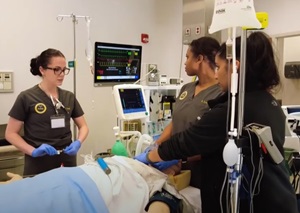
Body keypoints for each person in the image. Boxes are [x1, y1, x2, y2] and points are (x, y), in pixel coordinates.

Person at [135, 32, 299, 213]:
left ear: (235, 68)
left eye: (219, 67)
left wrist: (147, 158)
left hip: (258, 202)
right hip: (278, 197)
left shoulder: (233, 110)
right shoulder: (268, 102)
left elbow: (189, 141)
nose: (216, 73)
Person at [0, 154, 196, 213]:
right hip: (69, 178)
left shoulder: (159, 183)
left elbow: (163, 205)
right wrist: (22, 184)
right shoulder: (119, 158)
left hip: (81, 195)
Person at [5, 48, 89, 176]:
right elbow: (10, 134)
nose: (61, 74)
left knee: (67, 194)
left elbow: (83, 126)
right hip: (39, 162)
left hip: (66, 159)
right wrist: (33, 151)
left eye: (64, 70)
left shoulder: (69, 97)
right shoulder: (27, 97)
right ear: (42, 70)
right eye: (56, 69)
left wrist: (78, 142)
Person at [156, 36, 222, 189]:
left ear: (199, 59)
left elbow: (215, 142)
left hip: (203, 173)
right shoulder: (187, 89)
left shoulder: (220, 94)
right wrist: (157, 145)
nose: (185, 62)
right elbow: (175, 123)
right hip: (177, 170)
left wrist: (180, 158)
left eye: (187, 57)